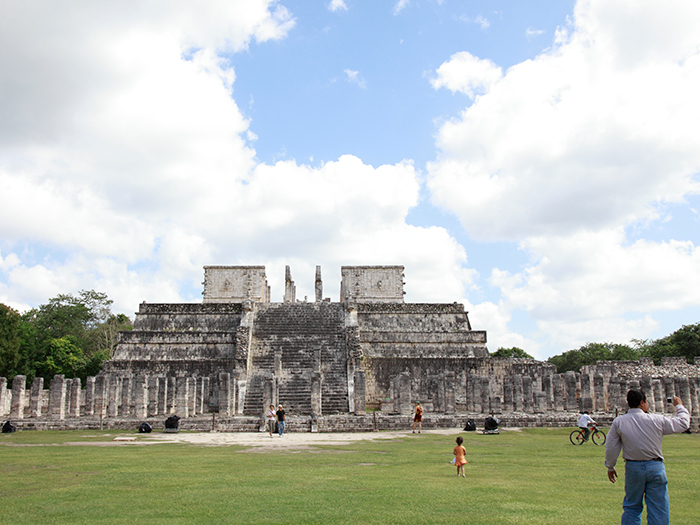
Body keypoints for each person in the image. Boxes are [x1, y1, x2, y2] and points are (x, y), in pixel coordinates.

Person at [605, 390, 689, 525]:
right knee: (659, 508)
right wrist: (679, 406)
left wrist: (610, 466)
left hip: (633, 467)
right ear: (642, 403)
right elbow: (683, 423)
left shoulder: (619, 422)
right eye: (647, 401)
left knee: (632, 507)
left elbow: (611, 447)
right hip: (655, 466)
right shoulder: (656, 419)